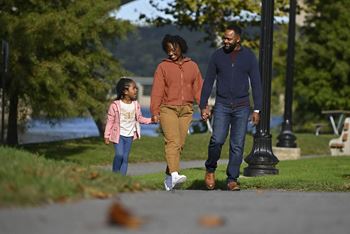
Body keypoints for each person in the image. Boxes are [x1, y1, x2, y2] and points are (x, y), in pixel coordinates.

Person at [200, 24, 262, 191]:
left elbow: (256, 83)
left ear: (238, 39)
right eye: (224, 38)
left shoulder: (249, 56)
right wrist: (203, 105)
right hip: (222, 105)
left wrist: (257, 109)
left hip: (242, 106)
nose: (225, 41)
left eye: (229, 38)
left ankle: (232, 179)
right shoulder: (217, 56)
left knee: (237, 145)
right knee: (217, 139)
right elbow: (208, 81)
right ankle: (210, 169)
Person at [151, 34, 203, 191]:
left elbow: (198, 88)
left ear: (181, 47)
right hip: (168, 109)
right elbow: (157, 91)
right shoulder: (163, 67)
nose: (171, 52)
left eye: (174, 49)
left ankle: (168, 178)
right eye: (168, 50)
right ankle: (174, 174)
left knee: (179, 144)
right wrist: (155, 111)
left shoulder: (192, 66)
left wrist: (203, 106)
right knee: (172, 141)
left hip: (187, 109)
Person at [104, 78, 152, 175]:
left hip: (129, 136)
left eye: (136, 88)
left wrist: (152, 120)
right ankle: (114, 175)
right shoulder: (115, 105)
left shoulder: (135, 104)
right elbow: (110, 121)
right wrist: (106, 135)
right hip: (118, 135)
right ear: (125, 91)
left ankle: (122, 179)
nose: (136, 90)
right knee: (119, 155)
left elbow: (140, 118)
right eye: (133, 88)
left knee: (125, 158)